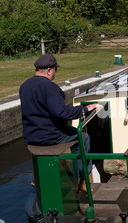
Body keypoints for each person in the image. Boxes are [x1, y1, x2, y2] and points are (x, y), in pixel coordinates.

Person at [19, 53, 100, 192]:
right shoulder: (49, 87)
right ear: (49, 70)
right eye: (55, 69)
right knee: (83, 137)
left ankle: (39, 177)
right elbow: (60, 113)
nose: (55, 73)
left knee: (70, 133)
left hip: (31, 136)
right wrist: (84, 108)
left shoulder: (24, 86)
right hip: (49, 136)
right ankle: (83, 179)